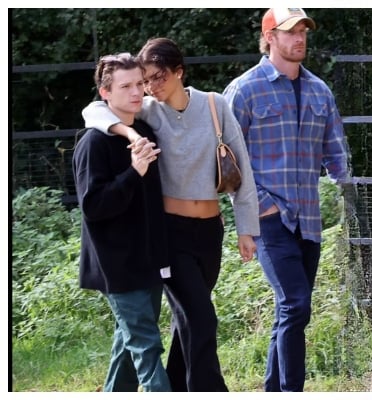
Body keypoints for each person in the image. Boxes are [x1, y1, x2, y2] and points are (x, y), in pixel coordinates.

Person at [82, 38, 260, 391]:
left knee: (188, 320)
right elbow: (94, 112)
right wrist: (128, 131)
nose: (150, 87)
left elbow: (242, 168)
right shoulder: (148, 110)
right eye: (145, 80)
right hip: (170, 233)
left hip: (210, 232)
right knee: (202, 318)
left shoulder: (215, 104)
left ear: (179, 72)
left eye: (157, 77)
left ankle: (177, 386)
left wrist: (246, 228)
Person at [222, 8, 349, 392]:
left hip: (308, 217)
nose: (299, 38)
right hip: (267, 217)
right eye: (291, 31)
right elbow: (225, 159)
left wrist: (346, 188)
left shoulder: (319, 90)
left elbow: (335, 148)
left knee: (291, 311)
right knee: (296, 303)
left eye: (303, 32)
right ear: (270, 37)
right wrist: (259, 206)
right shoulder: (244, 90)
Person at [72, 52, 170, 392]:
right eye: (125, 86)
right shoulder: (93, 143)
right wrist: (134, 172)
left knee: (127, 347)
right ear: (105, 93)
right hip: (116, 264)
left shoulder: (142, 130)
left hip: (149, 258)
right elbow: (93, 206)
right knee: (146, 344)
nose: (136, 92)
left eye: (139, 84)